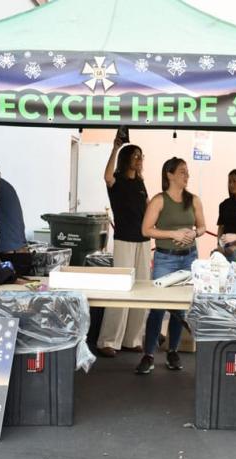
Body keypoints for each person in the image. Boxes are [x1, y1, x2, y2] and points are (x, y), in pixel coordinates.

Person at [136, 157, 205, 375]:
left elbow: (203, 227)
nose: (187, 175)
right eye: (183, 172)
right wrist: (172, 234)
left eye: (187, 172)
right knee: (157, 308)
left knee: (180, 309)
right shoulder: (159, 200)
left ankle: (172, 351)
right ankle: (148, 354)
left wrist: (194, 233)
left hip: (189, 257)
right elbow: (146, 230)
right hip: (165, 259)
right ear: (170, 174)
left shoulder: (194, 200)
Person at [96, 137, 151, 357]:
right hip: (124, 240)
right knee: (121, 289)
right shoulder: (117, 180)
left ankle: (133, 338)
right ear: (126, 159)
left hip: (144, 241)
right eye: (136, 156)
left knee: (141, 288)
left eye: (141, 156)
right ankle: (108, 341)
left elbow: (148, 208)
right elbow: (106, 176)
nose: (139, 160)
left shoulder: (140, 182)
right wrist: (115, 147)